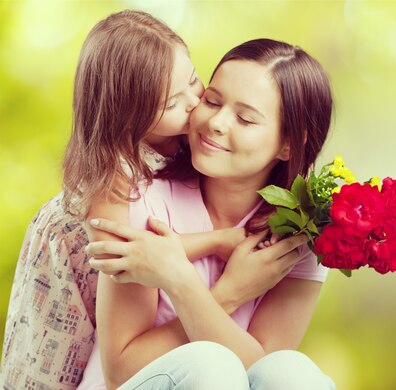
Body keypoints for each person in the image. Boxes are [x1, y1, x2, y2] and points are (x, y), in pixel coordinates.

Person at [1, 12, 302, 389]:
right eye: (175, 103)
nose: (196, 105)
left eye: (195, 81)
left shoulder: (182, 150)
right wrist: (218, 250)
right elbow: (135, 255)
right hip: (63, 333)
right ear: (133, 118)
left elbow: (266, 369)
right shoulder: (115, 178)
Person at [84, 38, 336, 389]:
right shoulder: (140, 196)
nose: (216, 122)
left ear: (289, 144)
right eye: (212, 100)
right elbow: (120, 371)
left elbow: (262, 377)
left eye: (245, 119)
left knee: (293, 373)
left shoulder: (300, 235)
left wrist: (181, 280)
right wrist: (228, 291)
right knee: (210, 364)